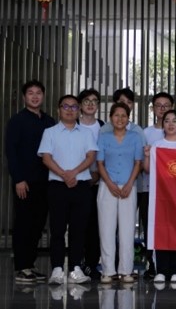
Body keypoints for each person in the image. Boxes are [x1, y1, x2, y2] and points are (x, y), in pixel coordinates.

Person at [38, 94, 98, 285]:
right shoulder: (50, 132)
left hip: (81, 186)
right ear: (59, 110)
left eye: (74, 107)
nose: (70, 110)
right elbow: (46, 158)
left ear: (78, 110)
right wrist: (64, 175)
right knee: (57, 229)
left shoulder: (86, 133)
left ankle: (75, 269)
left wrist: (74, 173)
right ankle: (57, 269)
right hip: (57, 186)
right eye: (66, 106)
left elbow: (91, 157)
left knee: (78, 229)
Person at [6, 80, 55, 284]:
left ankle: (30, 264)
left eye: (38, 93)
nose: (35, 96)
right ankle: (21, 267)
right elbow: (11, 152)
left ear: (43, 96)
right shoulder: (17, 121)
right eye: (30, 93)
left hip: (46, 181)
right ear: (24, 97)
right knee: (23, 224)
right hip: (24, 182)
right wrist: (18, 179)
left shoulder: (49, 121)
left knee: (38, 224)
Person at [142, 109, 176, 284]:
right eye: (167, 121)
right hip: (161, 197)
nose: (170, 124)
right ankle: (162, 270)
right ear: (162, 124)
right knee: (161, 230)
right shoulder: (157, 145)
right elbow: (148, 169)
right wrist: (147, 156)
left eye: (174, 121)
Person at [96, 102, 144, 284]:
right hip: (106, 187)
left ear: (128, 118)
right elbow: (100, 163)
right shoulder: (103, 137)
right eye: (116, 115)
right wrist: (109, 184)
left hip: (128, 187)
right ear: (110, 118)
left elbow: (138, 163)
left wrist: (130, 184)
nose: (120, 119)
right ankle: (108, 271)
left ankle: (126, 271)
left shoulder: (135, 137)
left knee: (127, 229)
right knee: (106, 229)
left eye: (124, 116)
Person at [140, 92, 173, 279]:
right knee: (150, 228)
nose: (162, 109)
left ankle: (173, 265)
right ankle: (152, 265)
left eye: (166, 105)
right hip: (149, 189)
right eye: (158, 105)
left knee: (172, 228)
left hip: (173, 192)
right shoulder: (146, 133)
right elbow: (143, 164)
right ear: (153, 109)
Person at [77, 88, 104, 281]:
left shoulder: (103, 127)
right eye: (86, 100)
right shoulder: (73, 125)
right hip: (76, 181)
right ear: (80, 105)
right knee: (79, 225)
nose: (90, 104)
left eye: (94, 101)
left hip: (99, 182)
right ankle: (77, 262)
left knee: (95, 226)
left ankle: (92, 264)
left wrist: (96, 175)